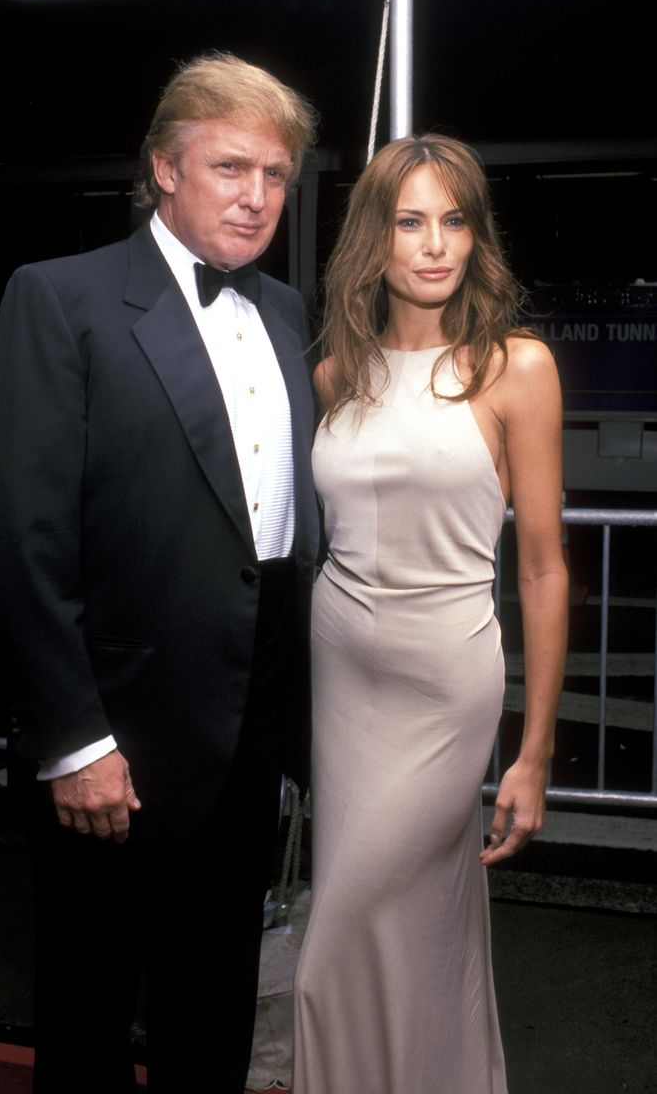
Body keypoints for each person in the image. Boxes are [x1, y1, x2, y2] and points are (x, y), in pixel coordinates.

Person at [0, 52, 320, 1094]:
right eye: (229, 168)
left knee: (212, 1003)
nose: (255, 197)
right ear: (164, 169)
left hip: (250, 722)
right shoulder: (60, 298)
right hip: (116, 730)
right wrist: (75, 737)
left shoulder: (288, 314)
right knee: (86, 1012)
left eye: (274, 176)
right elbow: (20, 534)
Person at [293, 134, 568, 1094]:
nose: (434, 244)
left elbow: (540, 569)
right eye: (409, 221)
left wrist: (531, 755)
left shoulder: (514, 368)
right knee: (411, 928)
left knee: (335, 934)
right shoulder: (335, 376)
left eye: (454, 221)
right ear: (374, 238)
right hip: (343, 670)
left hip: (446, 673)